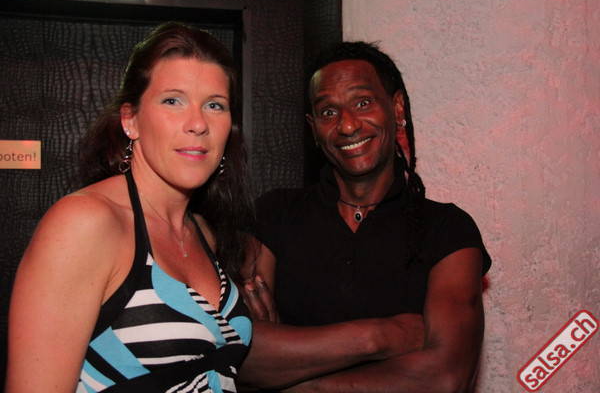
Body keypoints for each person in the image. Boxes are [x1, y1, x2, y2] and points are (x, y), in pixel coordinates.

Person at [6, 22, 254, 392]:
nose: (198, 124)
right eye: (173, 100)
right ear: (131, 120)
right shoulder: (84, 224)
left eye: (214, 105)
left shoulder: (202, 231)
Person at [241, 41, 492, 392]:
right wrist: (382, 336)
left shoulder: (448, 231)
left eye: (362, 103)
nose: (347, 125)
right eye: (328, 111)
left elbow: (445, 378)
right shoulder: (274, 215)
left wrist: (298, 381)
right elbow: (242, 358)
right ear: (313, 128)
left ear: (397, 108)